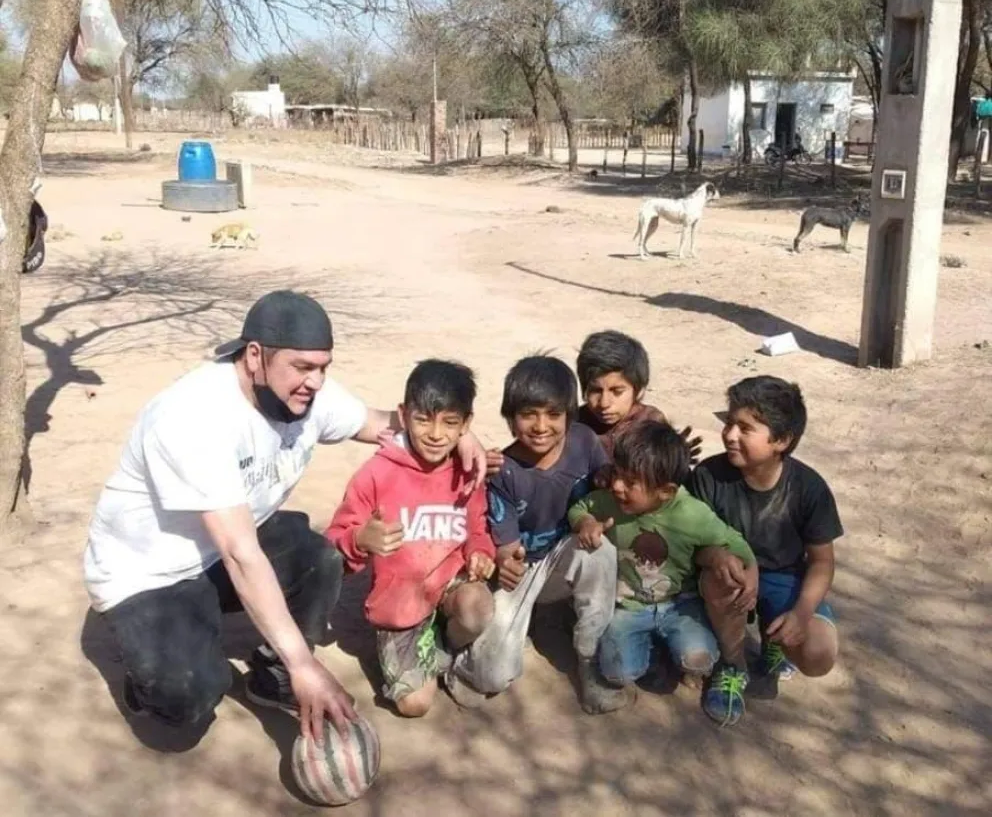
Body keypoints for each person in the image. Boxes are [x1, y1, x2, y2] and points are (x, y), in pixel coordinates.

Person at [83, 290, 487, 745]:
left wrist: (464, 439)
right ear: (255, 356)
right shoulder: (194, 417)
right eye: (302, 367)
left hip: (220, 548)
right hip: (149, 573)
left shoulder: (305, 395)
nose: (315, 382)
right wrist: (305, 664)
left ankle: (269, 674)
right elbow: (241, 555)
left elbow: (384, 425)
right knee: (189, 696)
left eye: (323, 368)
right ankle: (153, 675)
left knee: (321, 558)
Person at [448, 355, 628, 714]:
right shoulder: (504, 471)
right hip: (524, 570)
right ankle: (459, 659)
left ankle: (589, 658)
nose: (541, 426)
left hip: (566, 552)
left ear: (568, 416)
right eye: (528, 414)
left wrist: (593, 518)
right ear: (511, 417)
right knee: (490, 677)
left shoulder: (584, 441)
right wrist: (505, 560)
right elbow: (510, 549)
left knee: (601, 551)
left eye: (553, 414)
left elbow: (604, 486)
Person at [326, 359, 495, 718]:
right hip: (400, 605)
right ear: (403, 415)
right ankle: (411, 646)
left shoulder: (468, 470)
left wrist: (481, 550)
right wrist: (359, 539)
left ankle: (445, 644)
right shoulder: (376, 474)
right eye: (423, 419)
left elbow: (477, 527)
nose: (436, 434)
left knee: (478, 607)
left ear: (466, 425)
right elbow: (332, 546)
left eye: (450, 423)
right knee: (414, 705)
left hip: (449, 584)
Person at [689, 375, 843, 727]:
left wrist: (802, 613)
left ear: (782, 440)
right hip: (729, 576)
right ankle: (731, 666)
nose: (729, 434)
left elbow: (822, 562)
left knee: (818, 655)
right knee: (723, 576)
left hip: (784, 576)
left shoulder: (810, 488)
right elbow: (692, 545)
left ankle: (776, 640)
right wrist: (715, 556)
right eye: (729, 423)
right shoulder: (708, 476)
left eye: (745, 428)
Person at [568, 420, 755, 702]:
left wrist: (752, 571)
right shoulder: (609, 500)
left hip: (679, 604)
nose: (617, 486)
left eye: (630, 482)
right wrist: (585, 522)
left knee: (699, 659)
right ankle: (653, 650)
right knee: (617, 672)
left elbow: (736, 542)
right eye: (617, 474)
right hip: (627, 607)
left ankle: (685, 651)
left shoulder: (692, 514)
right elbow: (580, 507)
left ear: (666, 491)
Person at [575, 330, 703, 462]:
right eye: (595, 391)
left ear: (639, 390)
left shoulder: (650, 423)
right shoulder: (576, 423)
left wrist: (674, 459)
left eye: (617, 391)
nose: (604, 403)